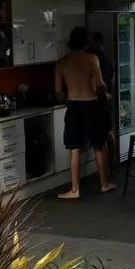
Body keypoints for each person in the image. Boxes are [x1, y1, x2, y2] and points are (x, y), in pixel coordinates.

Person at [55, 26, 115, 199]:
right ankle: (104, 184)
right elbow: (100, 84)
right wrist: (105, 97)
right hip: (92, 105)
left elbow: (58, 93)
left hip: (74, 107)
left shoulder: (61, 63)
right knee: (98, 145)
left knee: (74, 148)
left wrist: (69, 99)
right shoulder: (91, 59)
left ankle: (74, 190)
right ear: (86, 42)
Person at [87, 31, 117, 180]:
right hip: (107, 98)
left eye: (90, 41)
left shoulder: (93, 58)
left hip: (97, 100)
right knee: (108, 132)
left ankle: (104, 170)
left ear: (96, 41)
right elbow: (112, 80)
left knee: (99, 138)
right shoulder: (109, 58)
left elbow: (96, 83)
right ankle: (112, 164)